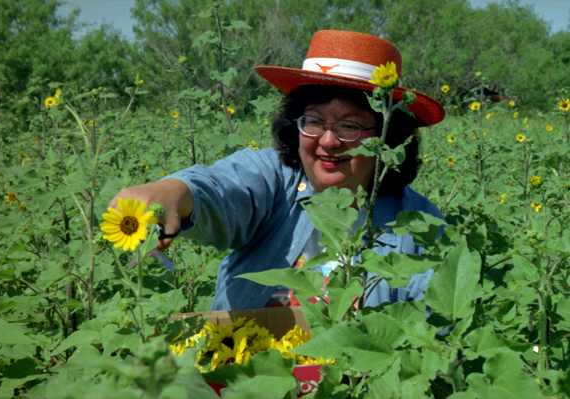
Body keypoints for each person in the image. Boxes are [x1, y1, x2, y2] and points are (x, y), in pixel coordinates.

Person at [108, 30, 445, 311]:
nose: (328, 141)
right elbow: (218, 188)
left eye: (350, 126)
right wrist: (171, 192)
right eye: (313, 121)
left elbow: (432, 330)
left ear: (387, 137)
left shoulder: (419, 225)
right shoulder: (275, 180)